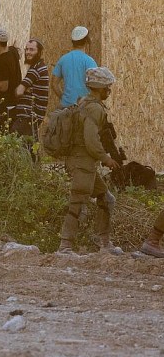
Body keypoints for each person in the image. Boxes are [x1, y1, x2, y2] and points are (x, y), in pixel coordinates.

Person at [57, 67, 122, 256]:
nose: (108, 90)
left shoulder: (85, 103)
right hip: (82, 163)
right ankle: (65, 246)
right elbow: (91, 140)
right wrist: (105, 158)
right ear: (99, 87)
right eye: (107, 87)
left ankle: (104, 242)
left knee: (106, 198)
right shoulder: (93, 108)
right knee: (77, 202)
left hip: (82, 162)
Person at [10, 38, 49, 160]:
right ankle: (35, 174)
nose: (28, 52)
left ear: (39, 52)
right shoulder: (37, 67)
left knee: (11, 143)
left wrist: (23, 89)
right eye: (26, 49)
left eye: (32, 49)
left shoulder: (36, 69)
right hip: (32, 116)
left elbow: (18, 91)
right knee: (31, 149)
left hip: (28, 116)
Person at [52, 25, 97, 108]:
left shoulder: (63, 59)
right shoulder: (90, 61)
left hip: (65, 107)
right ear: (87, 41)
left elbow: (54, 83)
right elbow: (95, 85)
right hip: (84, 108)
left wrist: (63, 97)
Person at [0, 27, 21, 131]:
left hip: (7, 107)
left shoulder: (3, 61)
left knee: (5, 134)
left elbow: (3, 87)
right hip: (14, 104)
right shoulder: (12, 51)